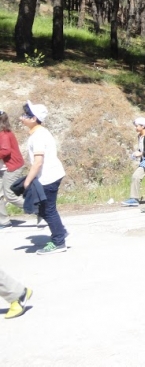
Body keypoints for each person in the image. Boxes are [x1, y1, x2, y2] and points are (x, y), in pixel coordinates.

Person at [20, 101, 68, 254]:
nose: (21, 117)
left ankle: (59, 241)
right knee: (45, 209)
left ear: (33, 119)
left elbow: (38, 162)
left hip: (48, 177)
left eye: (25, 115)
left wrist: (27, 181)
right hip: (50, 174)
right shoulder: (39, 133)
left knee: (48, 210)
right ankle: (60, 232)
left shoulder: (38, 136)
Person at [0, 109, 25, 229]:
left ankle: (40, 210)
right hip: (3, 168)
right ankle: (4, 221)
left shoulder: (4, 134)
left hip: (11, 167)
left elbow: (5, 151)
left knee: (10, 195)